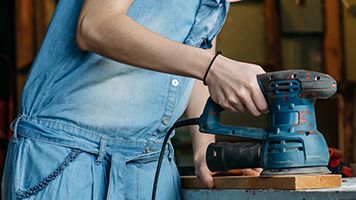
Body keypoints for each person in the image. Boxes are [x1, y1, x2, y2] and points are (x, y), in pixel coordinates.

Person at [2, 0, 265, 199]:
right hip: (72, 157)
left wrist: (205, 152)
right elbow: (94, 25)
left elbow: (196, 49)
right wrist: (213, 67)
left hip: (150, 163)